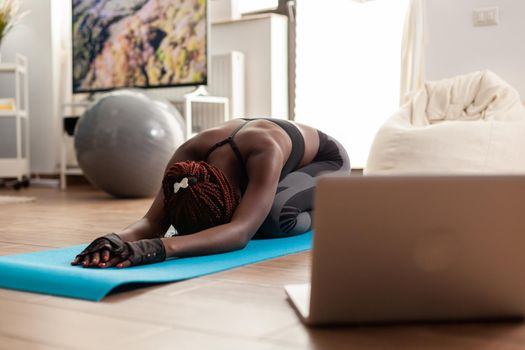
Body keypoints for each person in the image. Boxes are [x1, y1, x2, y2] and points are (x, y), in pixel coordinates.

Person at [71, 118, 350, 268]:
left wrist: (156, 248)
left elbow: (239, 232)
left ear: (232, 196)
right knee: (258, 212)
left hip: (326, 161)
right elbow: (152, 222)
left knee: (274, 220)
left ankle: (328, 206)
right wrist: (112, 240)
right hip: (272, 163)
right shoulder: (186, 159)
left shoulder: (264, 151)